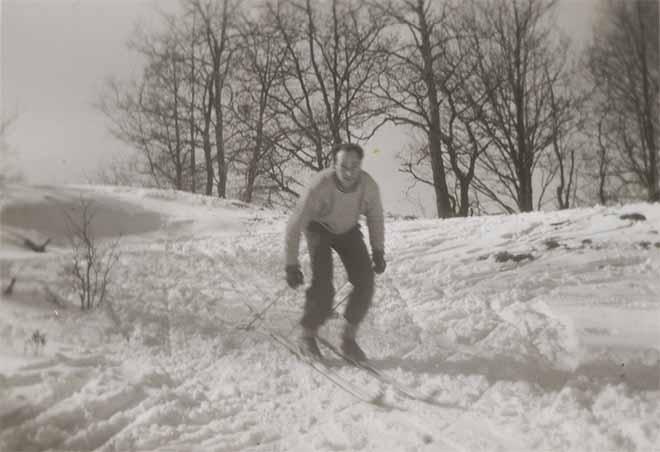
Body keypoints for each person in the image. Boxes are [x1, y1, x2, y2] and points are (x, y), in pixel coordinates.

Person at [284, 143, 386, 362]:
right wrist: (291, 265)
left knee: (365, 280)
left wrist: (378, 251)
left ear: (361, 165)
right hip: (319, 227)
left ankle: (348, 339)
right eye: (343, 166)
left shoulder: (369, 187)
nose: (349, 172)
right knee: (323, 284)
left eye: (354, 166)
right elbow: (294, 225)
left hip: (348, 229)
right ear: (334, 165)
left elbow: (375, 218)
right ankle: (307, 335)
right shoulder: (319, 186)